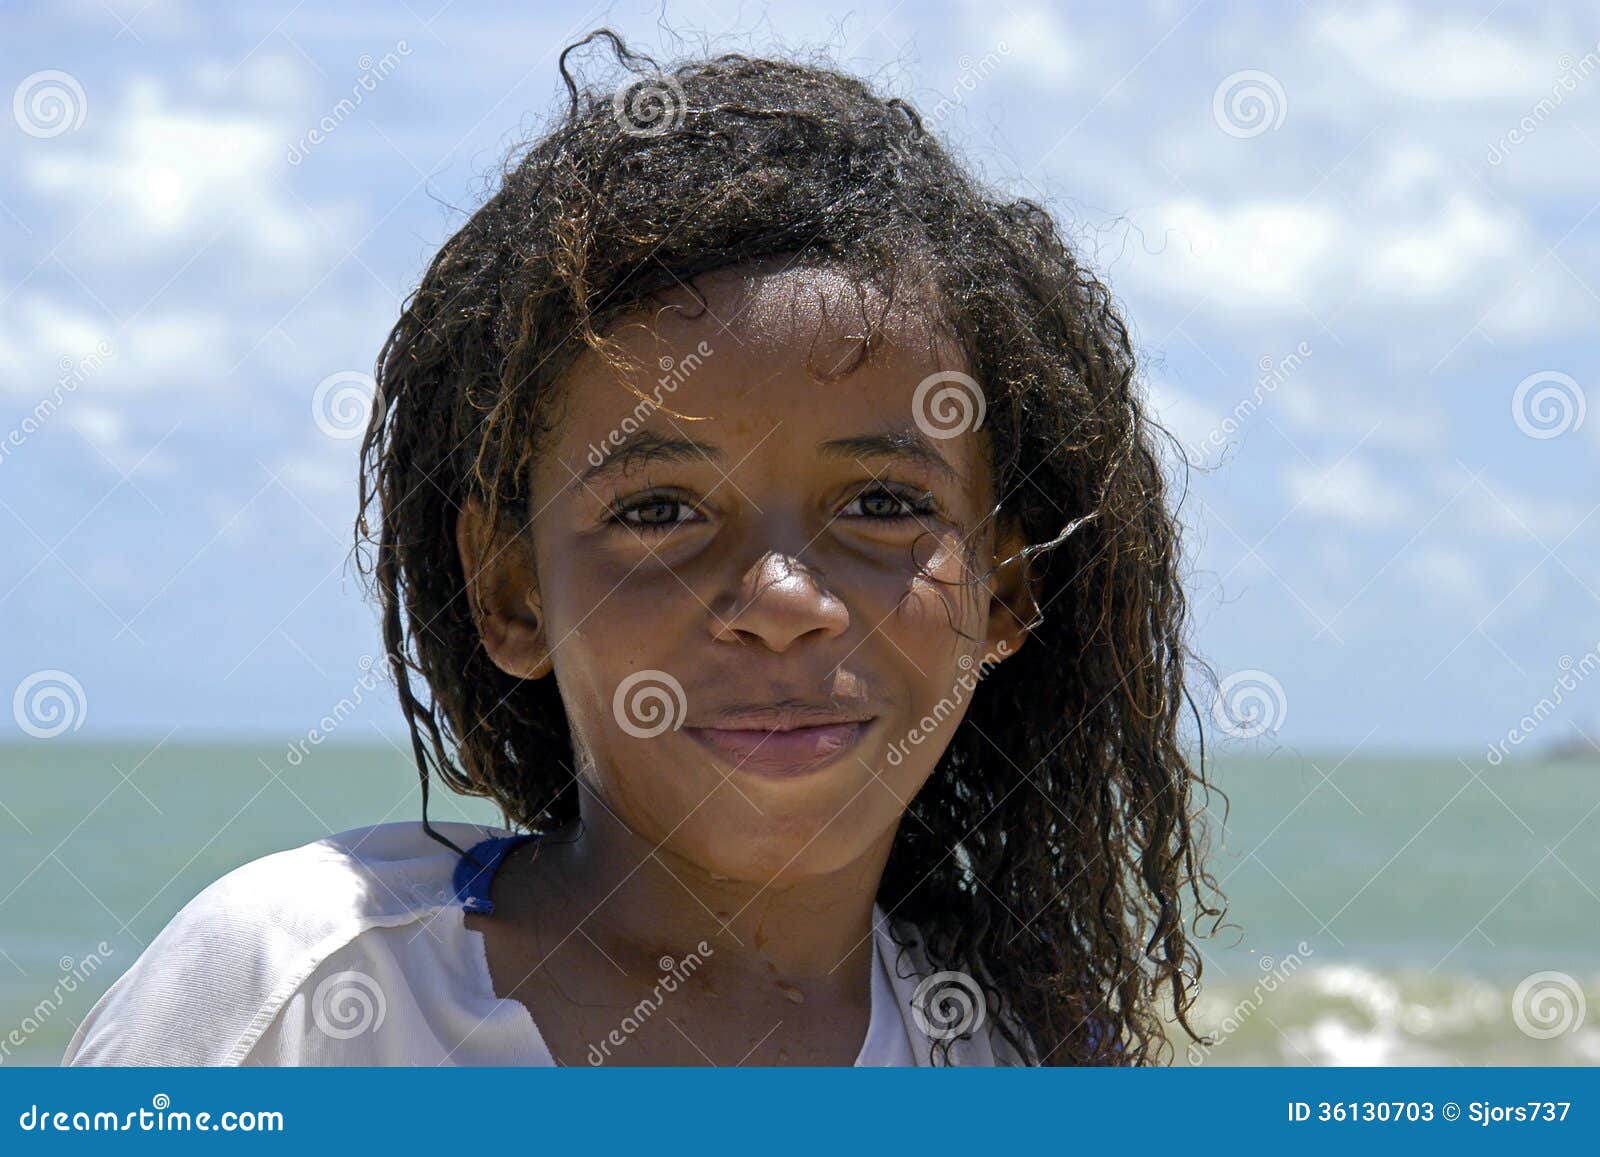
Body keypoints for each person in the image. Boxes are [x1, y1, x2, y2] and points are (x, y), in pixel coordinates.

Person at [65, 28, 1223, 1068]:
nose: (782, 599)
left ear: (1006, 588)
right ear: (511, 590)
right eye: (660, 509)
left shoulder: (1007, 1062)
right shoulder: (301, 993)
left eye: (880, 501)